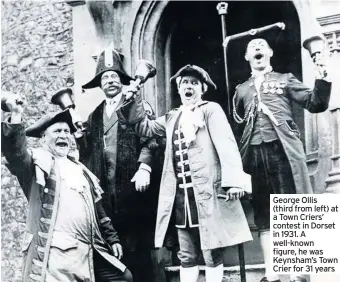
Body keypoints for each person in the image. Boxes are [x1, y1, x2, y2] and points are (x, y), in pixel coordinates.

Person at [121, 64, 253, 282]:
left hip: (208, 193)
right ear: (179, 90)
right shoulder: (172, 117)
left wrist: (234, 182)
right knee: (186, 254)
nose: (188, 87)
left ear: (202, 88)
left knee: (212, 251)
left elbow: (227, 145)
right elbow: (144, 127)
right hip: (181, 198)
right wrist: (133, 99)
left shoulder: (211, 110)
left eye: (193, 83)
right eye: (184, 84)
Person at [1, 94, 133, 282]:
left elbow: (97, 206)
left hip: (89, 248)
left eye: (66, 132)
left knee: (123, 277)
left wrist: (112, 238)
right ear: (43, 138)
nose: (63, 135)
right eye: (57, 132)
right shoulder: (37, 163)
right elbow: (15, 153)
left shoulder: (80, 168)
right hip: (56, 252)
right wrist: (15, 114)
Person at [232, 38, 332, 282]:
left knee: (290, 207)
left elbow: (315, 103)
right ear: (246, 56)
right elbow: (237, 125)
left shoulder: (284, 79)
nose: (257, 48)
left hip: (282, 151)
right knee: (263, 214)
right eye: (252, 46)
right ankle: (272, 273)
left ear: (270, 52)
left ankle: (299, 274)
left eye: (262, 45)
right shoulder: (241, 90)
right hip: (254, 155)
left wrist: (323, 73)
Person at [78, 48, 156, 282]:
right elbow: (87, 153)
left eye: (114, 77)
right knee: (113, 250)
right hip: (106, 194)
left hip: (133, 189)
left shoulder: (136, 105)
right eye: (105, 78)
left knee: (138, 250)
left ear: (122, 81)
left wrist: (145, 167)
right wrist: (80, 138)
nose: (110, 81)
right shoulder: (94, 115)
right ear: (100, 85)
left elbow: (150, 140)